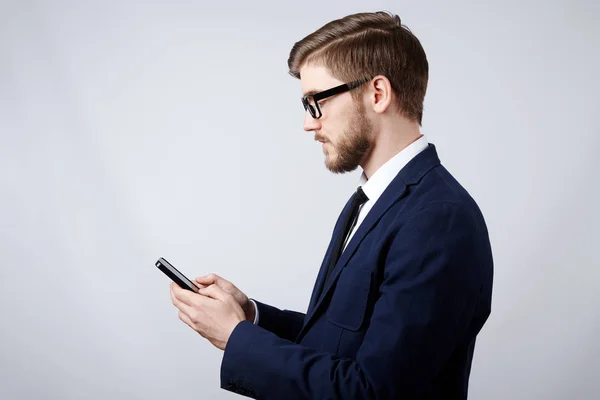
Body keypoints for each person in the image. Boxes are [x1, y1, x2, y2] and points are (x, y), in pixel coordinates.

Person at [169, 10, 493, 399]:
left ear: (377, 93)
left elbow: (373, 391)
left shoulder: (439, 220)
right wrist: (250, 316)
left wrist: (235, 338)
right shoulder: (370, 201)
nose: (309, 123)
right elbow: (342, 345)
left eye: (316, 101)